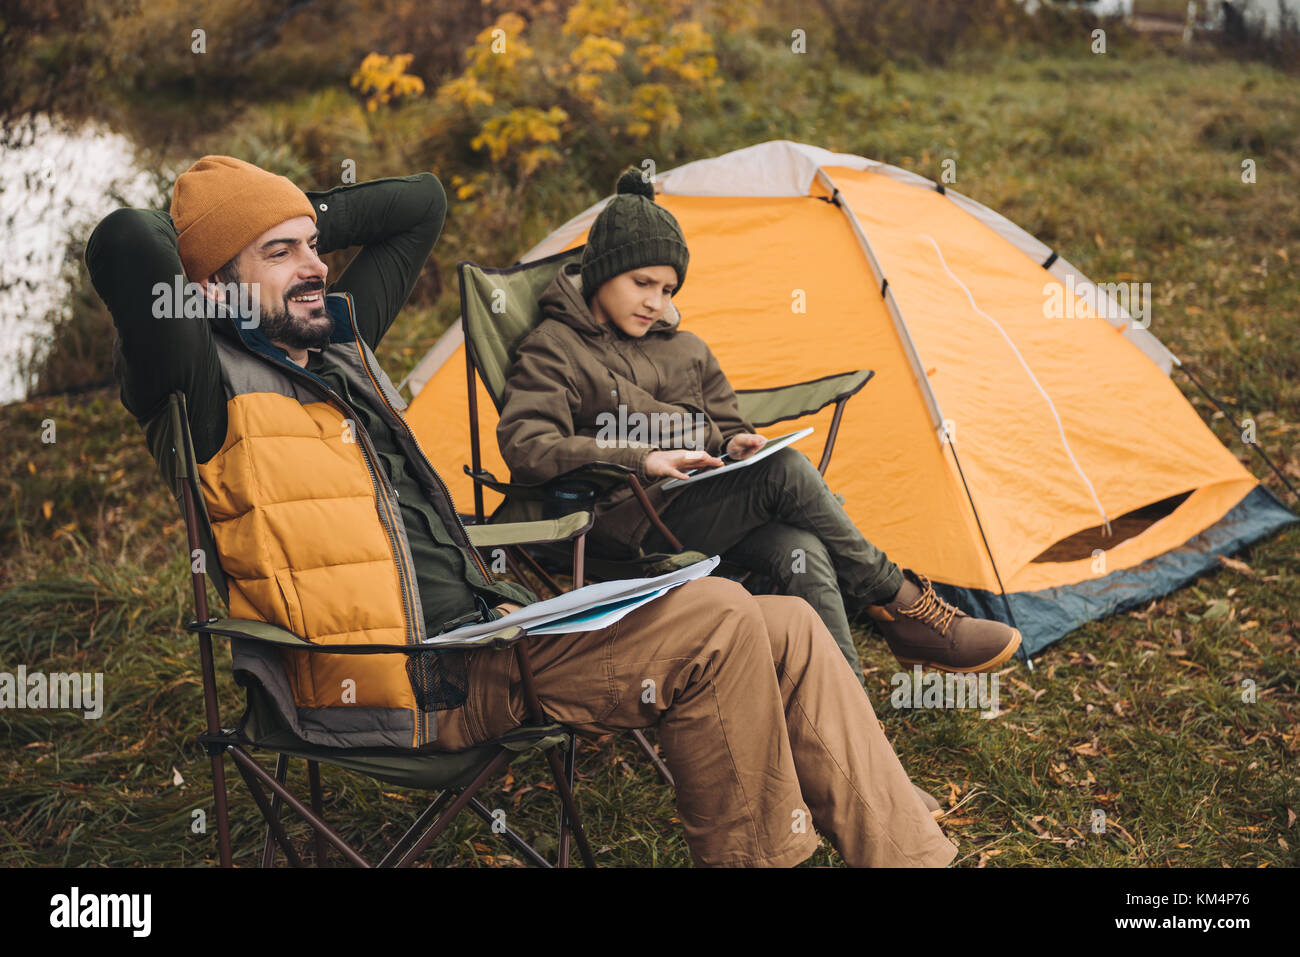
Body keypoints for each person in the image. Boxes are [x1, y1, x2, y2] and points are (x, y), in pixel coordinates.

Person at [85, 155, 956, 867]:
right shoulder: (195, 387)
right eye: (281, 253)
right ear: (196, 288)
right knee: (722, 619)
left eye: (315, 245)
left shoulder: (336, 343)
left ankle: (917, 858)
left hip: (490, 638)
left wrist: (279, 227)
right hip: (394, 679)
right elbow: (127, 239)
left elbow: (419, 200)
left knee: (791, 627)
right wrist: (207, 232)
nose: (317, 265)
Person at [497, 169, 1023, 682]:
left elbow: (726, 423)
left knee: (800, 545)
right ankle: (900, 604)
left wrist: (737, 442)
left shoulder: (686, 349)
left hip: (697, 508)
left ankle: (841, 703)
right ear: (602, 272)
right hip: (619, 523)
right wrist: (641, 458)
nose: (656, 302)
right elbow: (527, 445)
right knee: (788, 472)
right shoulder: (555, 348)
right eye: (642, 283)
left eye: (669, 289)